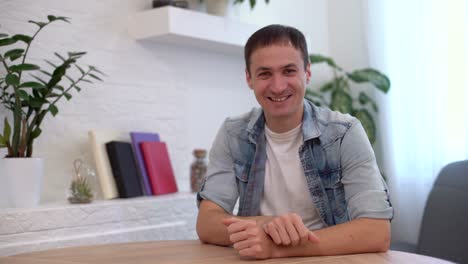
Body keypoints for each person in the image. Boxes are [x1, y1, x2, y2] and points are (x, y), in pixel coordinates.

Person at [196, 24, 393, 260]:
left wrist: (279, 247)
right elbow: (207, 223)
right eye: (265, 74)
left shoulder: (344, 133)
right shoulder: (233, 133)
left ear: (306, 73)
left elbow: (376, 232)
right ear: (249, 78)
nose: (278, 86)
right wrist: (268, 225)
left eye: (289, 71)